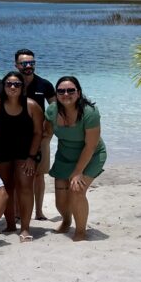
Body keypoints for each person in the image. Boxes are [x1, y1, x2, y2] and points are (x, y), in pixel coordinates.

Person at [0, 71, 44, 241]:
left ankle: (25, 228)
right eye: (9, 83)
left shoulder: (32, 106)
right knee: (5, 188)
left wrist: (32, 157)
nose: (13, 87)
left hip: (25, 153)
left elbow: (39, 132)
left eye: (17, 84)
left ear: (23, 87)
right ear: (4, 86)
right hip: (0, 151)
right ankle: (10, 224)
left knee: (25, 188)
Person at [45, 76, 106, 242]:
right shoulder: (52, 110)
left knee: (77, 191)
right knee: (60, 200)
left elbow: (91, 146)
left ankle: (80, 231)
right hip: (65, 155)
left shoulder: (89, 113)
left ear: (78, 93)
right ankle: (66, 220)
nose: (66, 94)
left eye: (71, 90)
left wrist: (78, 172)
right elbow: (46, 135)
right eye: (61, 91)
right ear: (56, 94)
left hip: (91, 155)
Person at [15, 49, 56, 221]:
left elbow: (55, 109)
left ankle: (39, 211)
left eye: (31, 62)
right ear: (17, 65)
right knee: (18, 174)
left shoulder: (44, 84)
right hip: (16, 137)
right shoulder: (11, 83)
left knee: (39, 175)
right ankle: (18, 212)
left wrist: (49, 132)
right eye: (24, 63)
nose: (28, 66)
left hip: (40, 137)